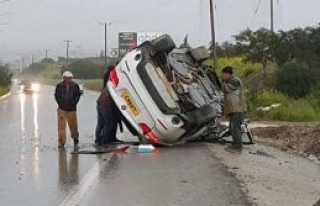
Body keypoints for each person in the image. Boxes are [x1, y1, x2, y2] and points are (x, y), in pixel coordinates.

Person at [221, 66, 247, 153]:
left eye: (223, 74)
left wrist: (223, 82)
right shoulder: (229, 81)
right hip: (234, 109)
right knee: (233, 128)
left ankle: (238, 147)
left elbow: (226, 89)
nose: (222, 76)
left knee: (236, 128)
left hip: (238, 109)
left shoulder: (235, 81)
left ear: (228, 74)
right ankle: (235, 145)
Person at [95, 68, 122, 146]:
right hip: (106, 104)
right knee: (108, 123)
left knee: (100, 123)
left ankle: (98, 140)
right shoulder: (116, 83)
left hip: (100, 102)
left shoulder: (110, 81)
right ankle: (105, 141)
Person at [54, 71, 82, 148]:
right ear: (64, 78)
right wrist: (60, 103)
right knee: (61, 127)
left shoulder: (75, 86)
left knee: (73, 126)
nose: (70, 79)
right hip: (62, 109)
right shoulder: (59, 86)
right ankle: (61, 142)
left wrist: (73, 104)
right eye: (68, 78)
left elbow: (77, 96)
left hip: (72, 109)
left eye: (71, 78)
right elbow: (56, 96)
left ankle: (75, 139)